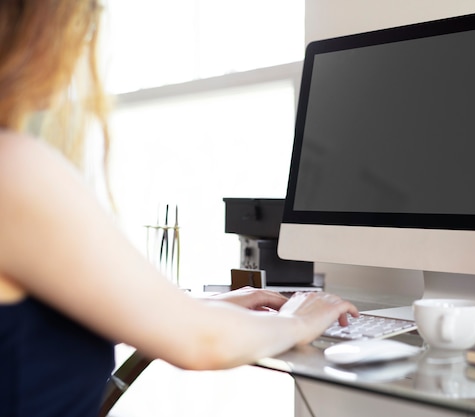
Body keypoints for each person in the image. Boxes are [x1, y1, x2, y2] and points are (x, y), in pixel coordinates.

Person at [0, 1, 359, 416]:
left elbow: (48, 323)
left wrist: (192, 309)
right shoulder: (14, 167)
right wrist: (298, 320)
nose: (82, 44)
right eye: (81, 23)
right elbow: (201, 343)